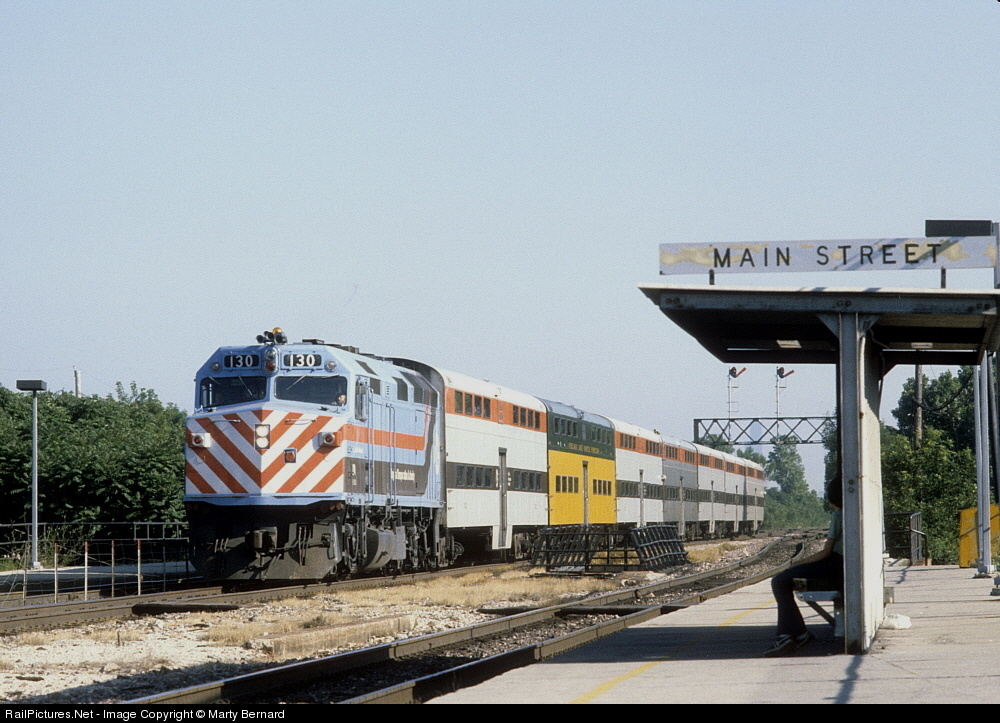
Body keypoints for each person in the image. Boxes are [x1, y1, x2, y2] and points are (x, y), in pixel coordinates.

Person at [763, 476, 844, 657]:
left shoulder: (839, 516)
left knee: (779, 581)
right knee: (782, 580)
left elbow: (825, 552)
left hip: (835, 564)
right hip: (842, 566)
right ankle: (795, 635)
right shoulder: (848, 514)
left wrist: (797, 563)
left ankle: (792, 635)